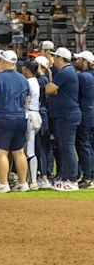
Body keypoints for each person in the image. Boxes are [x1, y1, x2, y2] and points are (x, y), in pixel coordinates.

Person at [0, 50, 30, 193]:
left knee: (1, 151)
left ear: (4, 61)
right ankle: (23, 183)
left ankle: (3, 183)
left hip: (3, 117)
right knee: (19, 151)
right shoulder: (23, 79)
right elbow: (26, 99)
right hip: (20, 116)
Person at [45, 47, 82, 191]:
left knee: (67, 147)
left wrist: (51, 88)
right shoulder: (67, 72)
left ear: (60, 58)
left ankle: (72, 179)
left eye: (55, 57)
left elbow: (49, 89)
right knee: (64, 147)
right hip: (65, 114)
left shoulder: (65, 72)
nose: (53, 60)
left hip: (67, 115)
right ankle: (65, 176)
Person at [74, 50, 94, 188]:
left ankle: (87, 177)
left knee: (83, 145)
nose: (77, 62)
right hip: (92, 112)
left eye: (79, 59)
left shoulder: (82, 77)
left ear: (85, 62)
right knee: (90, 146)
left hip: (85, 114)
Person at [21, 60, 42, 190]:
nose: (22, 69)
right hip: (36, 115)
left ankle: (31, 180)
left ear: (28, 70)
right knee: (30, 149)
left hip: (29, 115)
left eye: (24, 67)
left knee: (28, 150)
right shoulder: (35, 81)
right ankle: (32, 180)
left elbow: (24, 100)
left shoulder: (28, 82)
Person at [34, 56, 53, 189]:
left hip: (40, 113)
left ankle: (44, 176)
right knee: (44, 147)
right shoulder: (46, 79)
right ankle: (45, 174)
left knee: (40, 147)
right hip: (45, 113)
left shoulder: (40, 80)